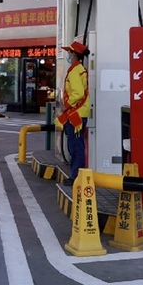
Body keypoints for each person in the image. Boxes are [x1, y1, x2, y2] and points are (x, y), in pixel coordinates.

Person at [55, 40, 90, 186]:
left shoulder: (75, 70)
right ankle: (76, 175)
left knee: (75, 147)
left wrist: (66, 105)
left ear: (74, 54)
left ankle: (77, 177)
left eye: (69, 52)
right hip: (79, 113)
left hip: (76, 114)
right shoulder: (78, 69)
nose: (68, 55)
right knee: (75, 146)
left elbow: (78, 93)